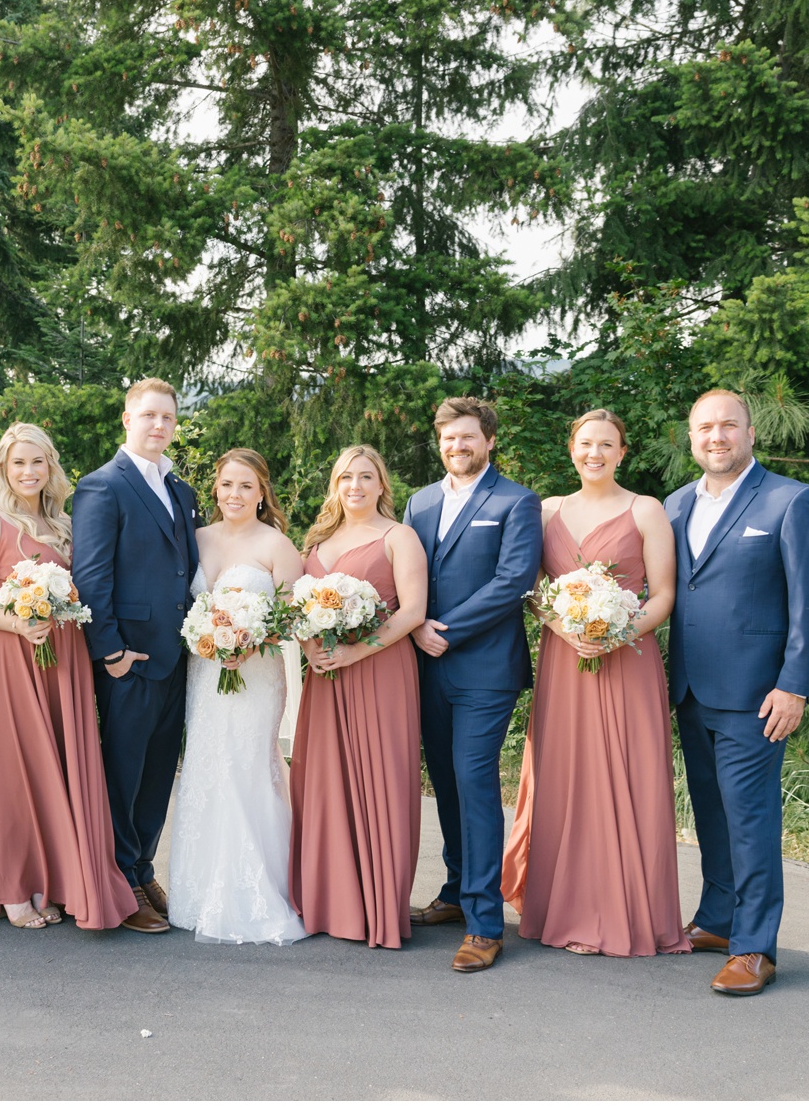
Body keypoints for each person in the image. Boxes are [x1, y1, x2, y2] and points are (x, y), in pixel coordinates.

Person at [499, 410, 691, 957]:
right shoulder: (544, 512)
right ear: (571, 448)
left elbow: (664, 595)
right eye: (586, 444)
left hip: (626, 659)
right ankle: (566, 909)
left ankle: (623, 913)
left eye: (607, 445)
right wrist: (563, 625)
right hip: (565, 660)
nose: (595, 454)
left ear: (623, 452)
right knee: (567, 778)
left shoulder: (646, 510)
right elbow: (533, 584)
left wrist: (615, 631)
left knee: (626, 779)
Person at [666, 390, 809, 996]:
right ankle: (717, 919)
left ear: (751, 432)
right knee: (709, 812)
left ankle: (755, 946)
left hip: (757, 694)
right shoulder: (675, 504)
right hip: (690, 687)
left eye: (728, 426)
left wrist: (795, 685)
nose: (717, 437)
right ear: (691, 438)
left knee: (750, 818)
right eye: (705, 428)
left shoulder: (792, 501)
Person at [0, 424, 137, 930]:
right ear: (3, 469)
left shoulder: (64, 525)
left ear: (51, 466)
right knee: (16, 766)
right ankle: (11, 884)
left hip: (63, 656)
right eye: (18, 463)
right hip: (9, 653)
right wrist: (18, 621)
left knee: (59, 762)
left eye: (37, 462)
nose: (29, 472)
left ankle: (51, 878)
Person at [402, 396, 543, 973]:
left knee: (475, 781)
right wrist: (413, 629)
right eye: (447, 438)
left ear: (488, 441)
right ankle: (457, 890)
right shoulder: (420, 501)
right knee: (445, 782)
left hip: (483, 668)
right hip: (426, 665)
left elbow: (513, 581)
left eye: (466, 438)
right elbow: (404, 574)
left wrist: (445, 630)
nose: (456, 447)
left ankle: (486, 923)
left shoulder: (515, 501)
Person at [71, 378, 201, 934]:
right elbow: (92, 575)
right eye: (148, 416)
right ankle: (120, 878)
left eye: (168, 418)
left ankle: (144, 865)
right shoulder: (103, 486)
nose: (158, 426)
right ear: (127, 419)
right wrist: (112, 652)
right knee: (124, 771)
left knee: (156, 772)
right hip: (130, 658)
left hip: (179, 656)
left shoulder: (182, 490)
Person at [289, 446, 428, 949]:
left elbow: (412, 612)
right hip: (325, 676)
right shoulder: (317, 542)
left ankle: (378, 910)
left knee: (380, 781)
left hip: (380, 673)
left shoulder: (399, 538)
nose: (355, 486)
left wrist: (356, 652)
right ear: (335, 485)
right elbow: (298, 609)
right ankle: (330, 902)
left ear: (382, 485)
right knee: (325, 782)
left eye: (366, 477)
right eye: (346, 477)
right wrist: (311, 646)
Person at [169, 448, 309, 946]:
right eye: (227, 485)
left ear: (262, 491)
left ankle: (262, 889)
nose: (235, 494)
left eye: (246, 486)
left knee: (248, 767)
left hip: (257, 677)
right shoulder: (196, 540)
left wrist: (251, 643)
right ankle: (197, 892)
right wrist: (210, 640)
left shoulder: (277, 545)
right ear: (215, 489)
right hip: (205, 675)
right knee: (207, 767)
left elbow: (294, 618)